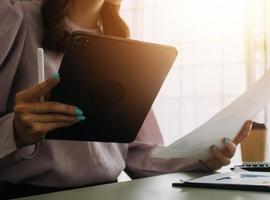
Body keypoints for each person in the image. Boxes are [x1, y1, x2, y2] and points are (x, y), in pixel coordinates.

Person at [0, 0, 252, 198]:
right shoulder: (15, 18)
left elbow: (138, 152)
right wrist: (15, 132)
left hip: (109, 194)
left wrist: (202, 157)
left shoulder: (123, 45)